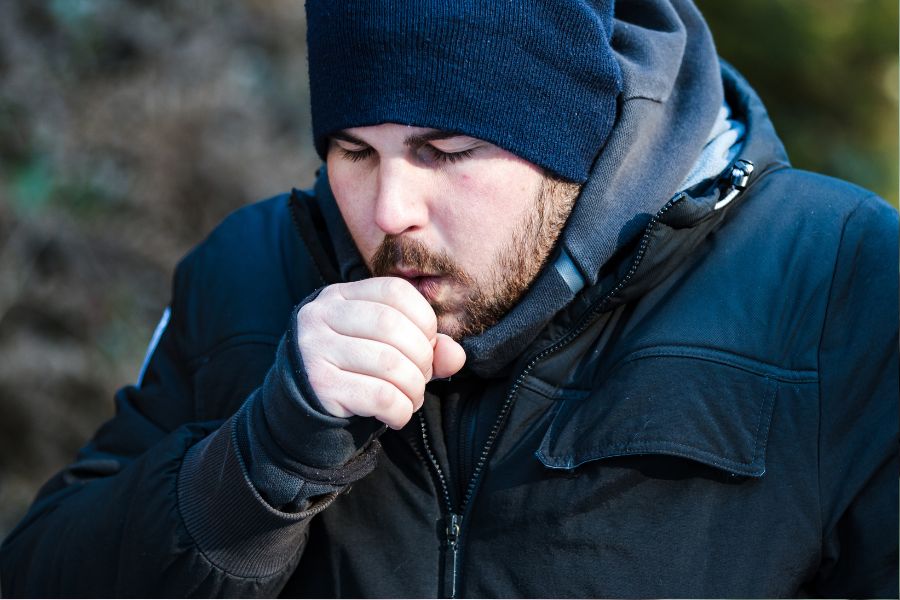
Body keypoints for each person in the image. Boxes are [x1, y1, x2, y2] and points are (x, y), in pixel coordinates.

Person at [1, 0, 897, 597]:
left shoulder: (840, 279)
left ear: (577, 136)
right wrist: (260, 462)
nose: (388, 211)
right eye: (354, 151)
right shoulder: (250, 271)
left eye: (446, 150)